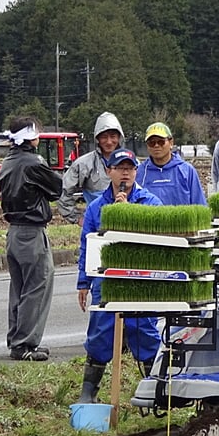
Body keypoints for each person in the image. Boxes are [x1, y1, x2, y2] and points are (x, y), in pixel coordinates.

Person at [75, 149, 163, 404]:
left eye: (130, 167)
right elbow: (87, 246)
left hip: (139, 279)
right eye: (120, 167)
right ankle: (88, 392)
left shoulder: (150, 202)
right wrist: (84, 282)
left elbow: (157, 243)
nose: (125, 172)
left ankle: (156, 390)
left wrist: (128, 214)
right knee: (101, 333)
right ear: (109, 171)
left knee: (144, 331)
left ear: (136, 171)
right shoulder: (96, 208)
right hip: (107, 280)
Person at [0, 116, 63, 361]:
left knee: (19, 288)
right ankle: (25, 344)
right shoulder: (33, 162)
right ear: (31, 136)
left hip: (13, 231)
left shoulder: (8, 161)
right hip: (32, 232)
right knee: (37, 286)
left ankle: (17, 339)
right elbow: (57, 187)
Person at [57, 111, 123, 224]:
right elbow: (62, 192)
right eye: (104, 137)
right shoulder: (84, 164)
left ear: (120, 137)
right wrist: (77, 218)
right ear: (97, 138)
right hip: (95, 226)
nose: (109, 142)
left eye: (113, 136)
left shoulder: (131, 163)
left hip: (127, 225)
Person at [135, 122, 207, 205]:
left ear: (171, 143)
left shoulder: (187, 171)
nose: (156, 146)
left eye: (161, 142)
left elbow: (199, 204)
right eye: (151, 143)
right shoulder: (139, 172)